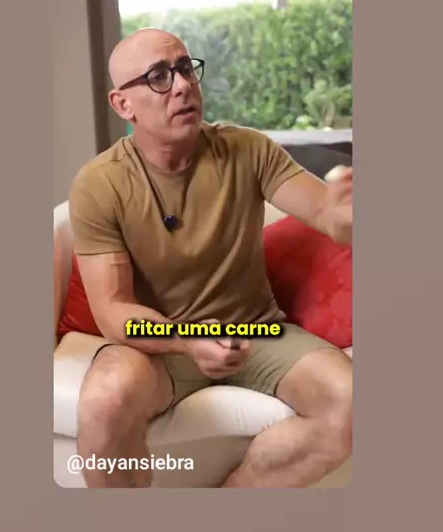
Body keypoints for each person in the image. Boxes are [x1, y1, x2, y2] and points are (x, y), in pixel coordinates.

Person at [69, 28, 353, 488]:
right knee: (104, 403)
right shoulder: (99, 183)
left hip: (255, 331)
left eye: (185, 68)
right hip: (159, 345)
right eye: (158, 76)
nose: (182, 85)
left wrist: (344, 216)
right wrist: (189, 341)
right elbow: (114, 310)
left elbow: (325, 212)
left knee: (354, 402)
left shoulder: (248, 149)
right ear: (123, 104)